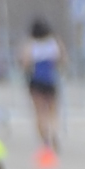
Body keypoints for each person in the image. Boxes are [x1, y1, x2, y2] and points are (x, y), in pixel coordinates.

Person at [21, 17, 64, 153]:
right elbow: (62, 59)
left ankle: (45, 138)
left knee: (39, 112)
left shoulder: (31, 44)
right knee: (52, 111)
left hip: (36, 80)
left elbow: (25, 62)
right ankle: (53, 132)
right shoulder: (53, 43)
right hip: (50, 80)